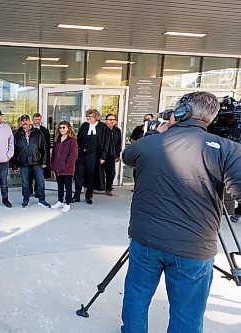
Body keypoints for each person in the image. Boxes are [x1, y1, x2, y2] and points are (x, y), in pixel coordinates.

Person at [121, 91, 241, 333]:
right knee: (187, 314)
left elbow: (127, 156)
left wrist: (158, 131)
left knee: (136, 297)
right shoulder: (227, 149)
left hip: (145, 241)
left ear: (180, 112)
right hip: (193, 249)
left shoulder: (149, 142)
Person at [12, 114, 51, 208]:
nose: (24, 122)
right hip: (24, 162)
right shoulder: (17, 134)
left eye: (26, 120)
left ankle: (42, 200)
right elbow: (14, 150)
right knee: (25, 183)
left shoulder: (37, 132)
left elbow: (44, 147)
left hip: (37, 161)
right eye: (22, 120)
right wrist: (14, 165)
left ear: (29, 121)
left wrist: (44, 161)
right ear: (20, 122)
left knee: (40, 182)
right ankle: (26, 200)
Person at [73, 109, 108, 205]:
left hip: (94, 155)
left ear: (96, 117)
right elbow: (78, 139)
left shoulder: (102, 127)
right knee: (78, 175)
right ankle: (76, 196)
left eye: (90, 117)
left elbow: (105, 143)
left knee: (91, 175)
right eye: (87, 116)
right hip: (81, 154)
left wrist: (103, 157)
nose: (88, 118)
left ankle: (88, 196)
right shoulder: (84, 126)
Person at [50, 120, 78, 213]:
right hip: (58, 168)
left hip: (67, 169)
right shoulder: (57, 140)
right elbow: (54, 154)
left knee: (68, 187)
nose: (61, 129)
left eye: (64, 127)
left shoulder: (72, 140)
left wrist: (67, 165)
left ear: (68, 128)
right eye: (60, 127)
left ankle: (67, 203)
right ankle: (60, 201)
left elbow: (73, 155)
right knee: (60, 186)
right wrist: (53, 164)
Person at [30, 113, 51, 197]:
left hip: (40, 156)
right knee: (29, 175)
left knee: (39, 175)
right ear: (32, 120)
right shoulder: (29, 129)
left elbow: (47, 144)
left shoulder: (44, 130)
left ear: (41, 120)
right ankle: (29, 190)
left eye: (38, 119)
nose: (37, 121)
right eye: (35, 119)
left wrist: (45, 158)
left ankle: (37, 191)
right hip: (30, 156)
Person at [103, 114, 122, 196]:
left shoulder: (117, 130)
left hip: (111, 155)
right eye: (110, 119)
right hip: (102, 155)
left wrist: (118, 154)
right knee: (99, 172)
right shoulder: (102, 129)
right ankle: (96, 187)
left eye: (113, 119)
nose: (112, 121)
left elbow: (119, 143)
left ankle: (108, 188)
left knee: (111, 173)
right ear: (106, 121)